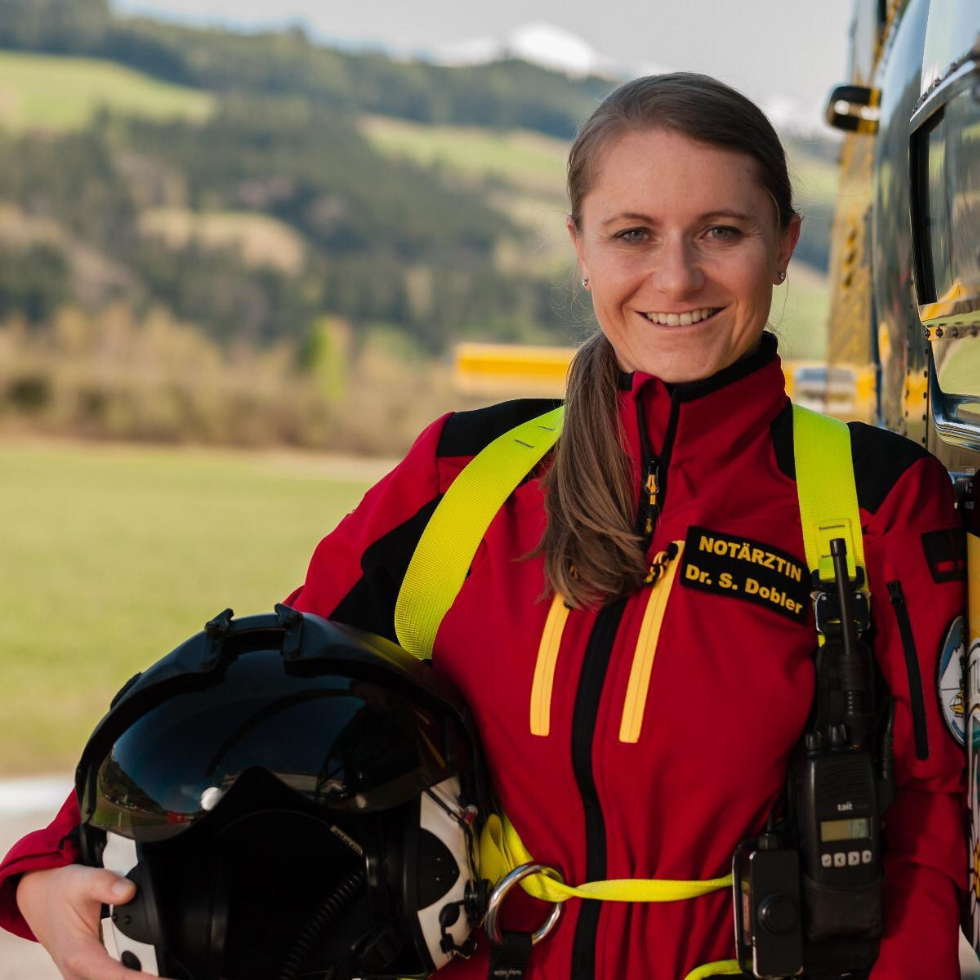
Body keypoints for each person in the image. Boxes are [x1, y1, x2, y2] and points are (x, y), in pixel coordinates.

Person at [0, 73, 967, 980]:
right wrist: (44, 865)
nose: (676, 276)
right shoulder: (463, 472)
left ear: (784, 241)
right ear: (580, 246)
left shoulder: (874, 500)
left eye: (720, 230)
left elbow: (932, 808)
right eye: (633, 233)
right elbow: (261, 691)